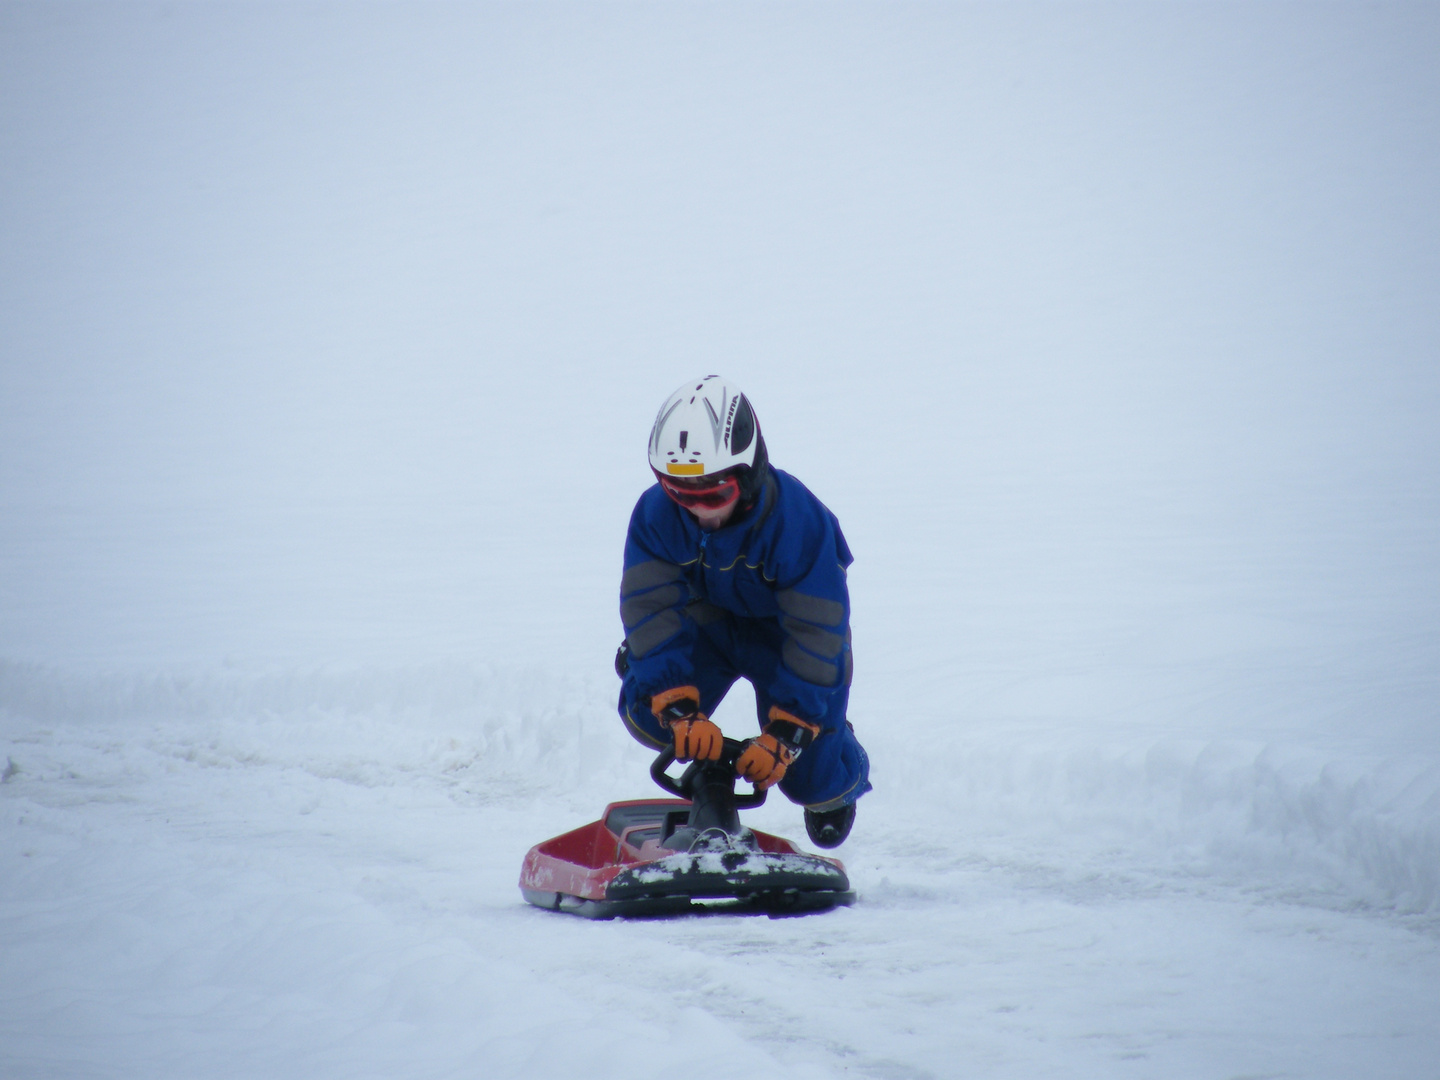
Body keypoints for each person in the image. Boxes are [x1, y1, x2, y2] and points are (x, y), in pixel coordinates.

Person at [614, 375, 871, 848]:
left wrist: (789, 732)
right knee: (646, 712)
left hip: (785, 639)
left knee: (811, 779)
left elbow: (818, 633)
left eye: (712, 495)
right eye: (679, 494)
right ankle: (702, 767)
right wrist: (678, 709)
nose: (698, 513)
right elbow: (649, 608)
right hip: (708, 624)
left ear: (747, 473)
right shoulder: (655, 517)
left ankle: (838, 765)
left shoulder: (799, 525)